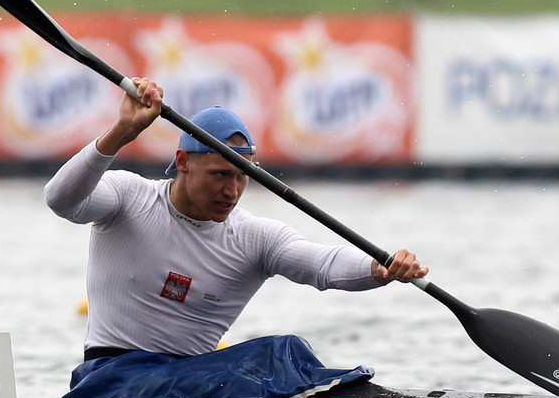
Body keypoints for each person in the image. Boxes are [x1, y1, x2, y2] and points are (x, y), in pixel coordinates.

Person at [44, 77, 428, 361]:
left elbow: (322, 266)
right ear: (183, 164)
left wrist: (379, 268)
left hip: (190, 384)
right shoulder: (128, 197)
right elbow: (61, 200)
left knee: (287, 351)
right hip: (109, 379)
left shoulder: (253, 238)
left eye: (242, 176)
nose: (232, 190)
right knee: (275, 358)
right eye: (220, 175)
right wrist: (121, 133)